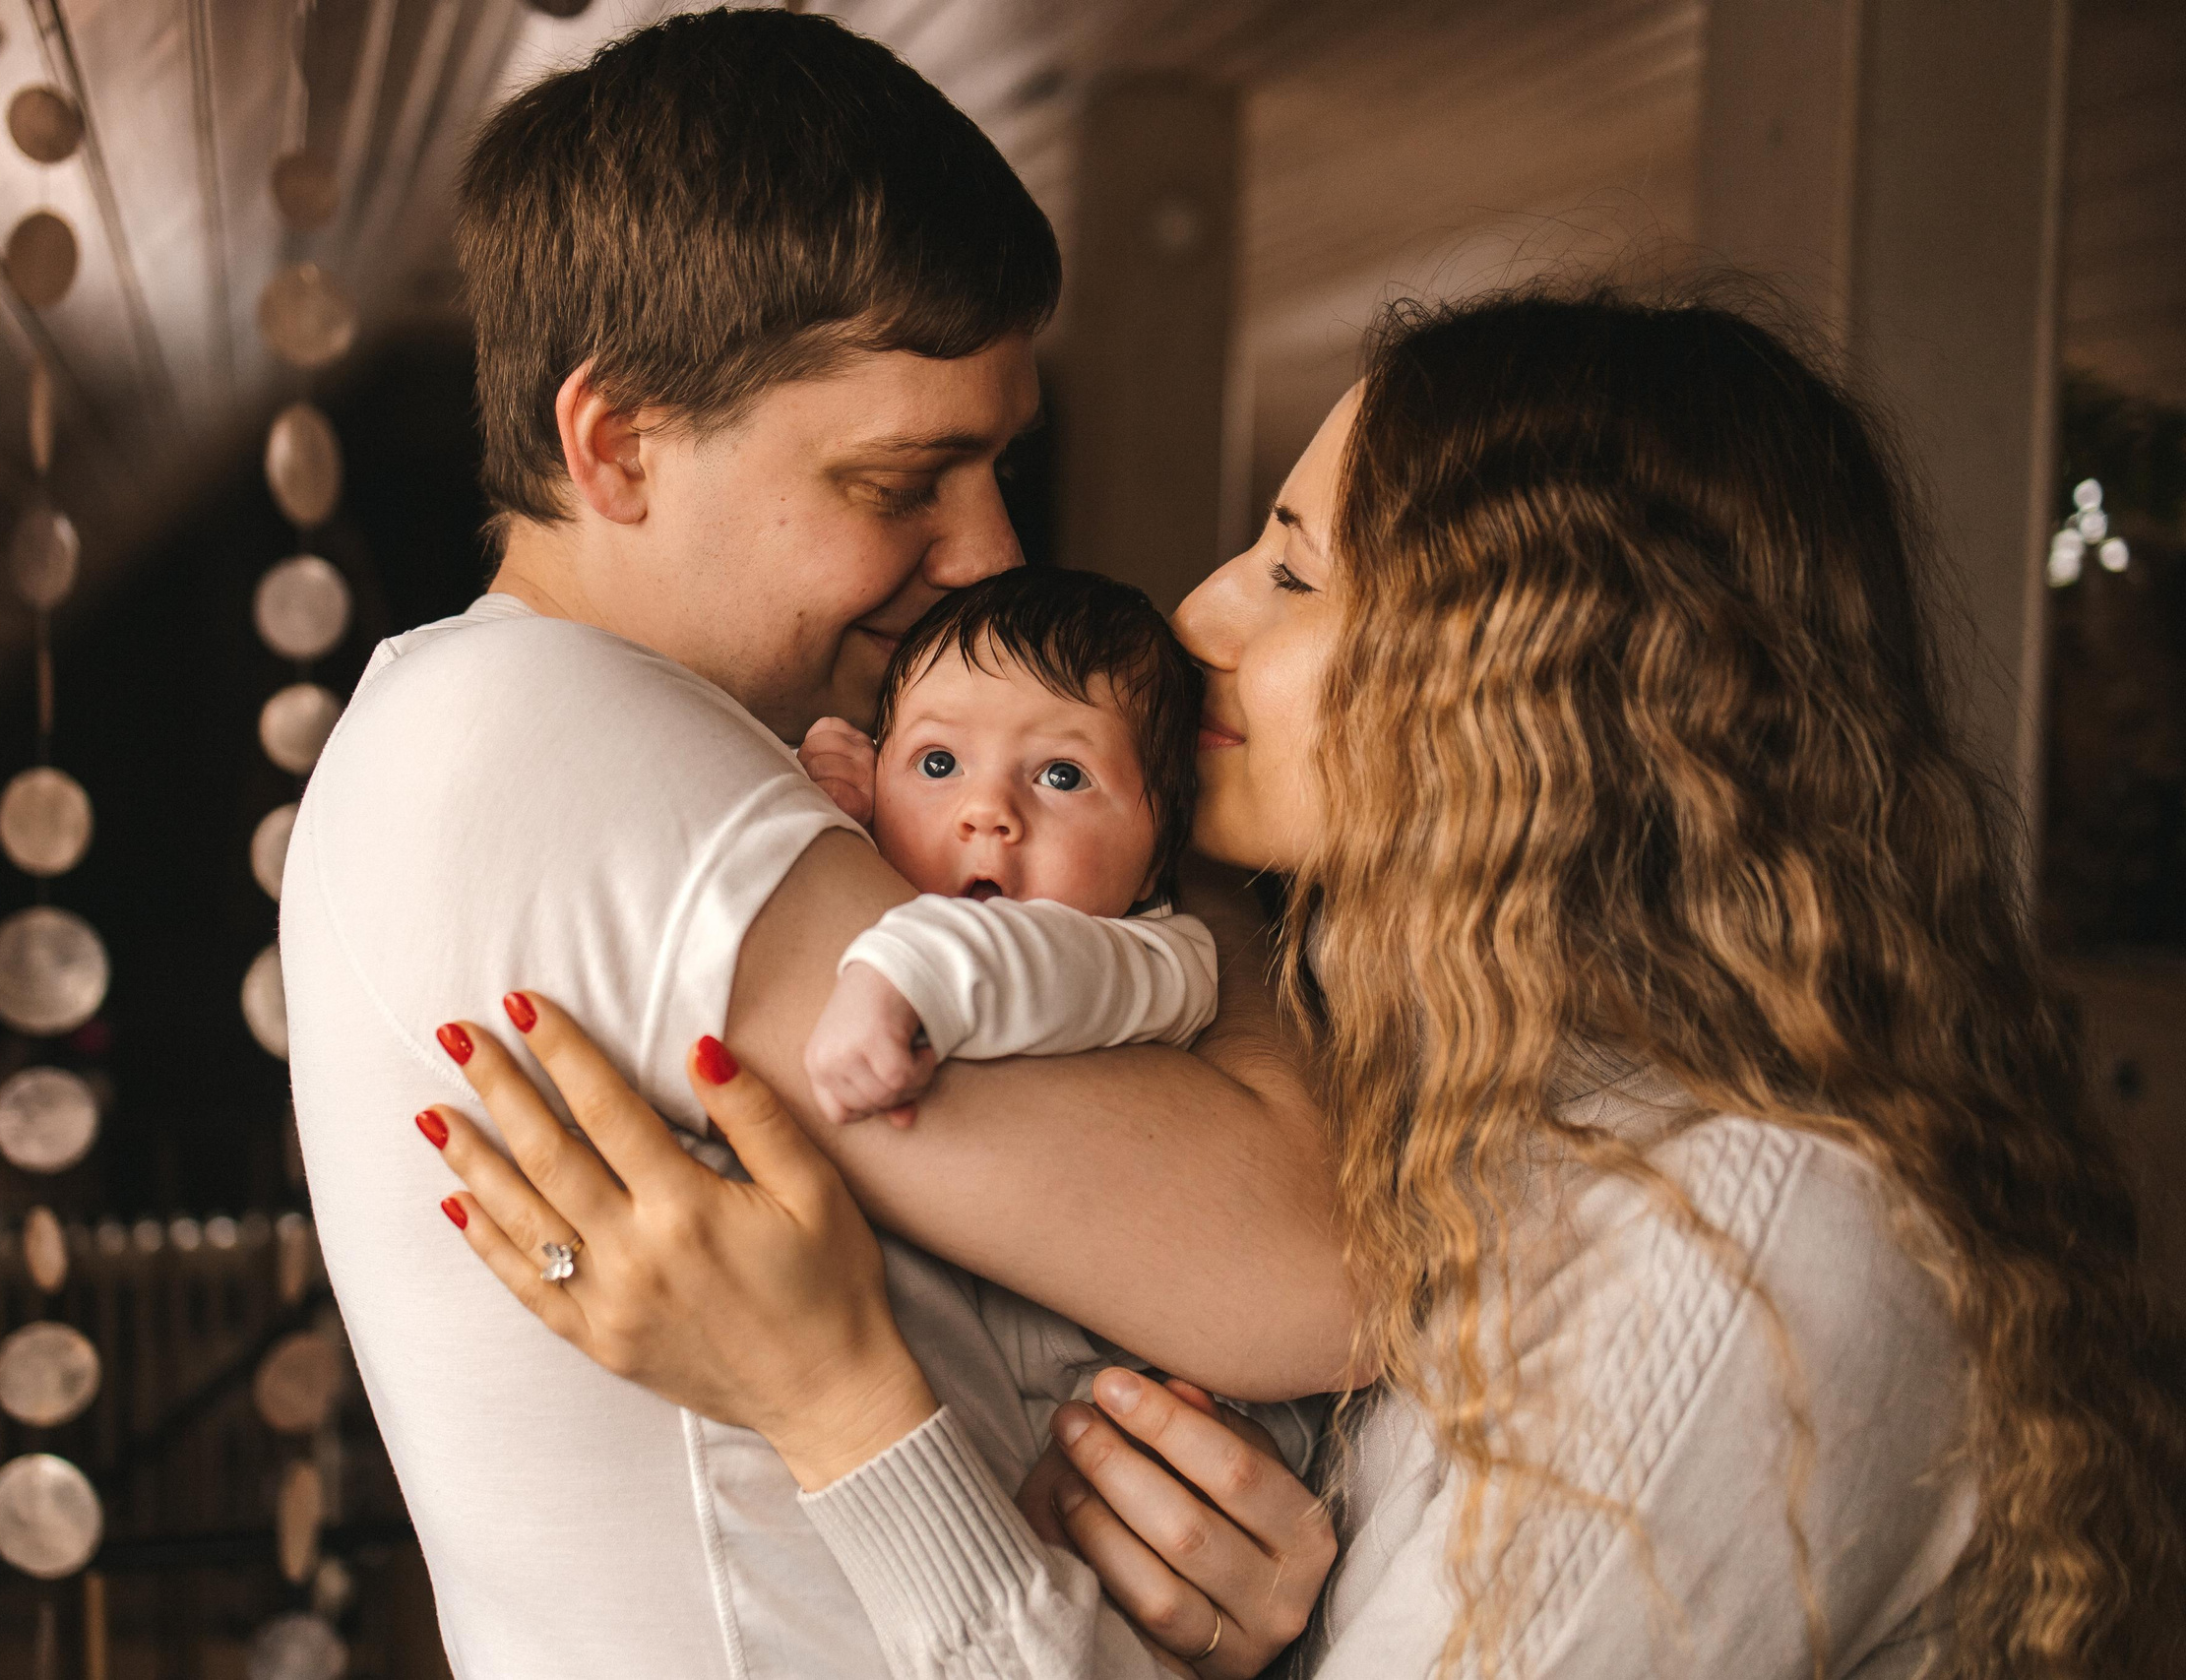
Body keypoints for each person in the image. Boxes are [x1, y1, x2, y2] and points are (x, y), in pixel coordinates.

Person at [426, 287, 2186, 1679]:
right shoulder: (1483, 1111)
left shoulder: (1731, 1241)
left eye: (1292, 567)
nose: (1195, 611)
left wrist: (840, 1411)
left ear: (1534, 674)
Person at [280, 12, 1359, 1679]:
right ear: (615, 440)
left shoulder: (594, 740)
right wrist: (1173, 836)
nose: (990, 547)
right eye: (903, 478)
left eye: (997, 461)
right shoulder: (551, 734)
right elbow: (1321, 1265)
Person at [799, 566, 1218, 1129]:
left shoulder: (1167, 967)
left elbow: (1036, 956)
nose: (987, 811)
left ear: (1160, 854)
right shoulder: (883, 831)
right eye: (938, 763)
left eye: (1063, 776)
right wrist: (832, 792)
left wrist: (906, 971)